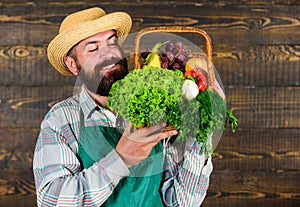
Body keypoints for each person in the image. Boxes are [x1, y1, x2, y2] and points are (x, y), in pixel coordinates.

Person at [33, 7, 214, 207]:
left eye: (112, 42)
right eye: (93, 48)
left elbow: (181, 202)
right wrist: (121, 159)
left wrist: (200, 132)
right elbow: (52, 202)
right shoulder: (62, 120)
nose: (108, 54)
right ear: (73, 64)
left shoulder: (155, 106)